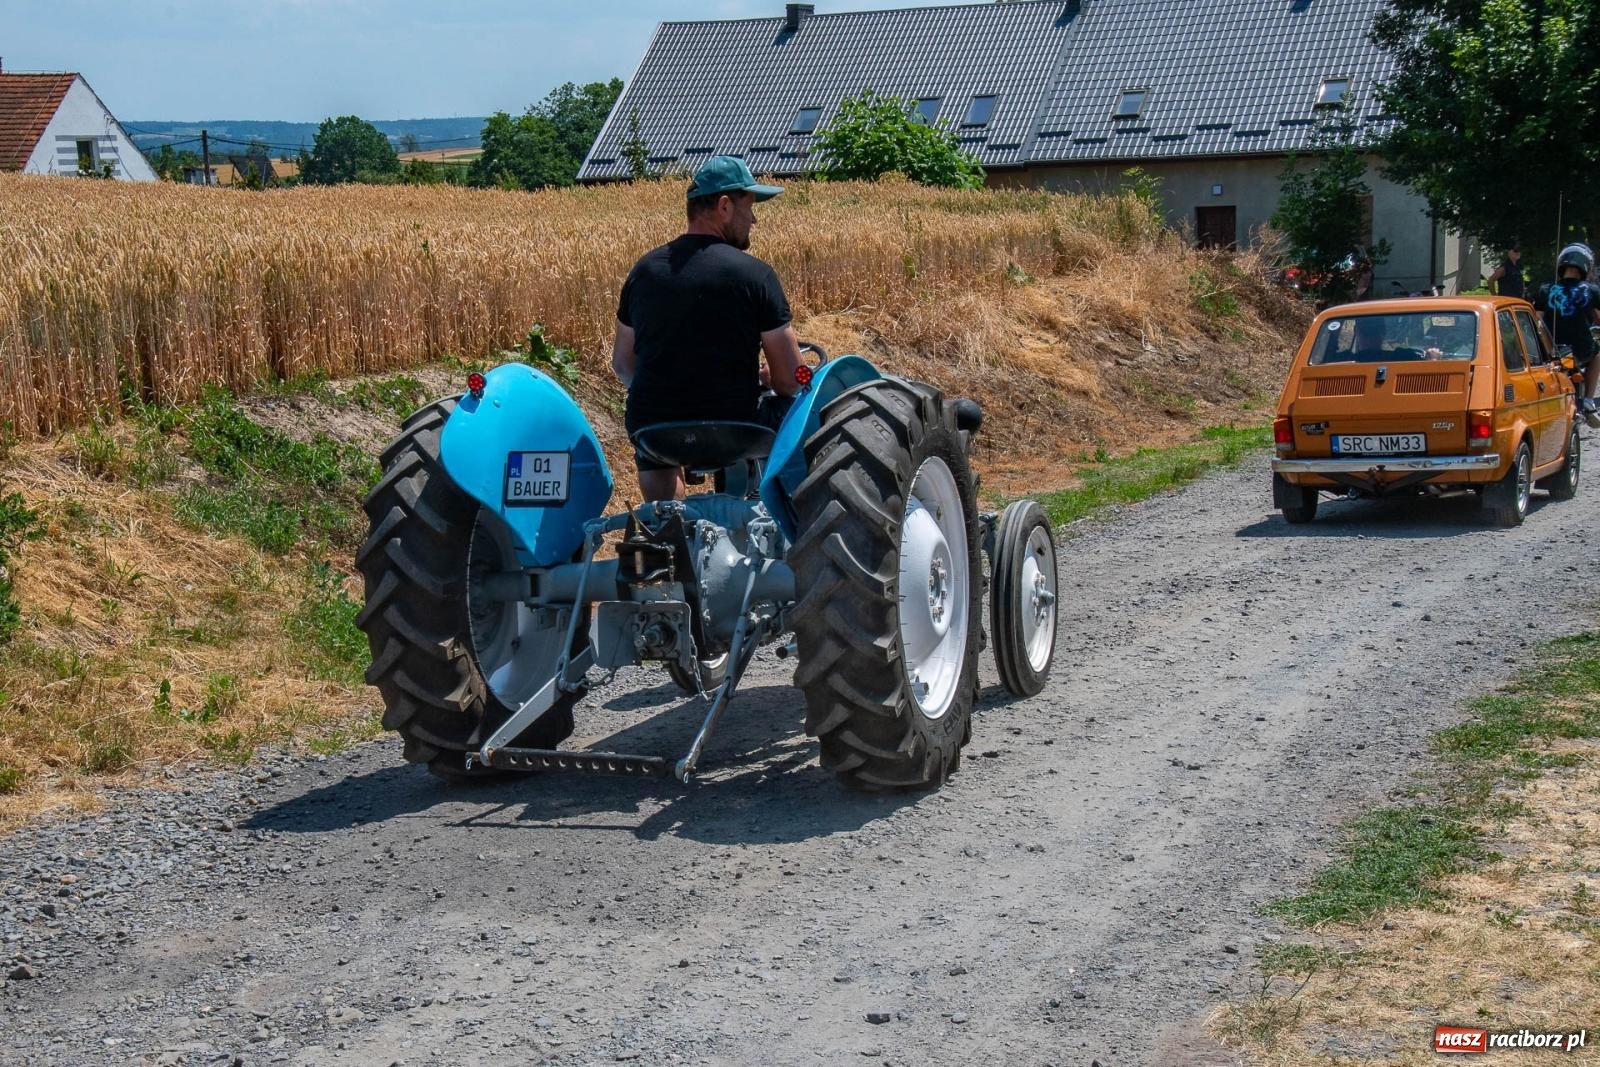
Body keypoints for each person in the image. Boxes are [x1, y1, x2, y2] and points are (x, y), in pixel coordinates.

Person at [610, 156, 805, 500]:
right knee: (808, 411)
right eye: (750, 207)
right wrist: (767, 378)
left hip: (654, 429)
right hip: (737, 426)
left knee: (654, 442)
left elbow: (624, 364)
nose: (754, 219)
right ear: (725, 206)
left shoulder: (644, 272)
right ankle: (790, 517)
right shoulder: (754, 275)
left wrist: (668, 395)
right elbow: (790, 378)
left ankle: (668, 528)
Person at [1533, 243, 1600, 428]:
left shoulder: (1546, 290)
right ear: (1585, 266)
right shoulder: (1591, 290)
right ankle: (1588, 400)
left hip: (1555, 351)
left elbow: (1537, 323)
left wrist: (1547, 347)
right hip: (1582, 349)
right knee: (1597, 355)